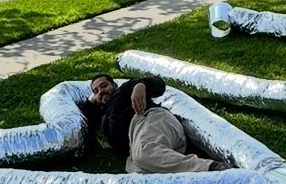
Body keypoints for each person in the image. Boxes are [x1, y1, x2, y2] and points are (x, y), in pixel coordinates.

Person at [86, 74, 230, 174]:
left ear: (114, 85)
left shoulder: (123, 91)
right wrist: (92, 102)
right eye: (96, 91)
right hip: (139, 147)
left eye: (104, 86)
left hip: (150, 120)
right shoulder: (104, 117)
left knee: (144, 154)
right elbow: (88, 116)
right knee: (140, 172)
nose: (101, 91)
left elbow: (158, 84)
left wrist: (140, 85)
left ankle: (211, 167)